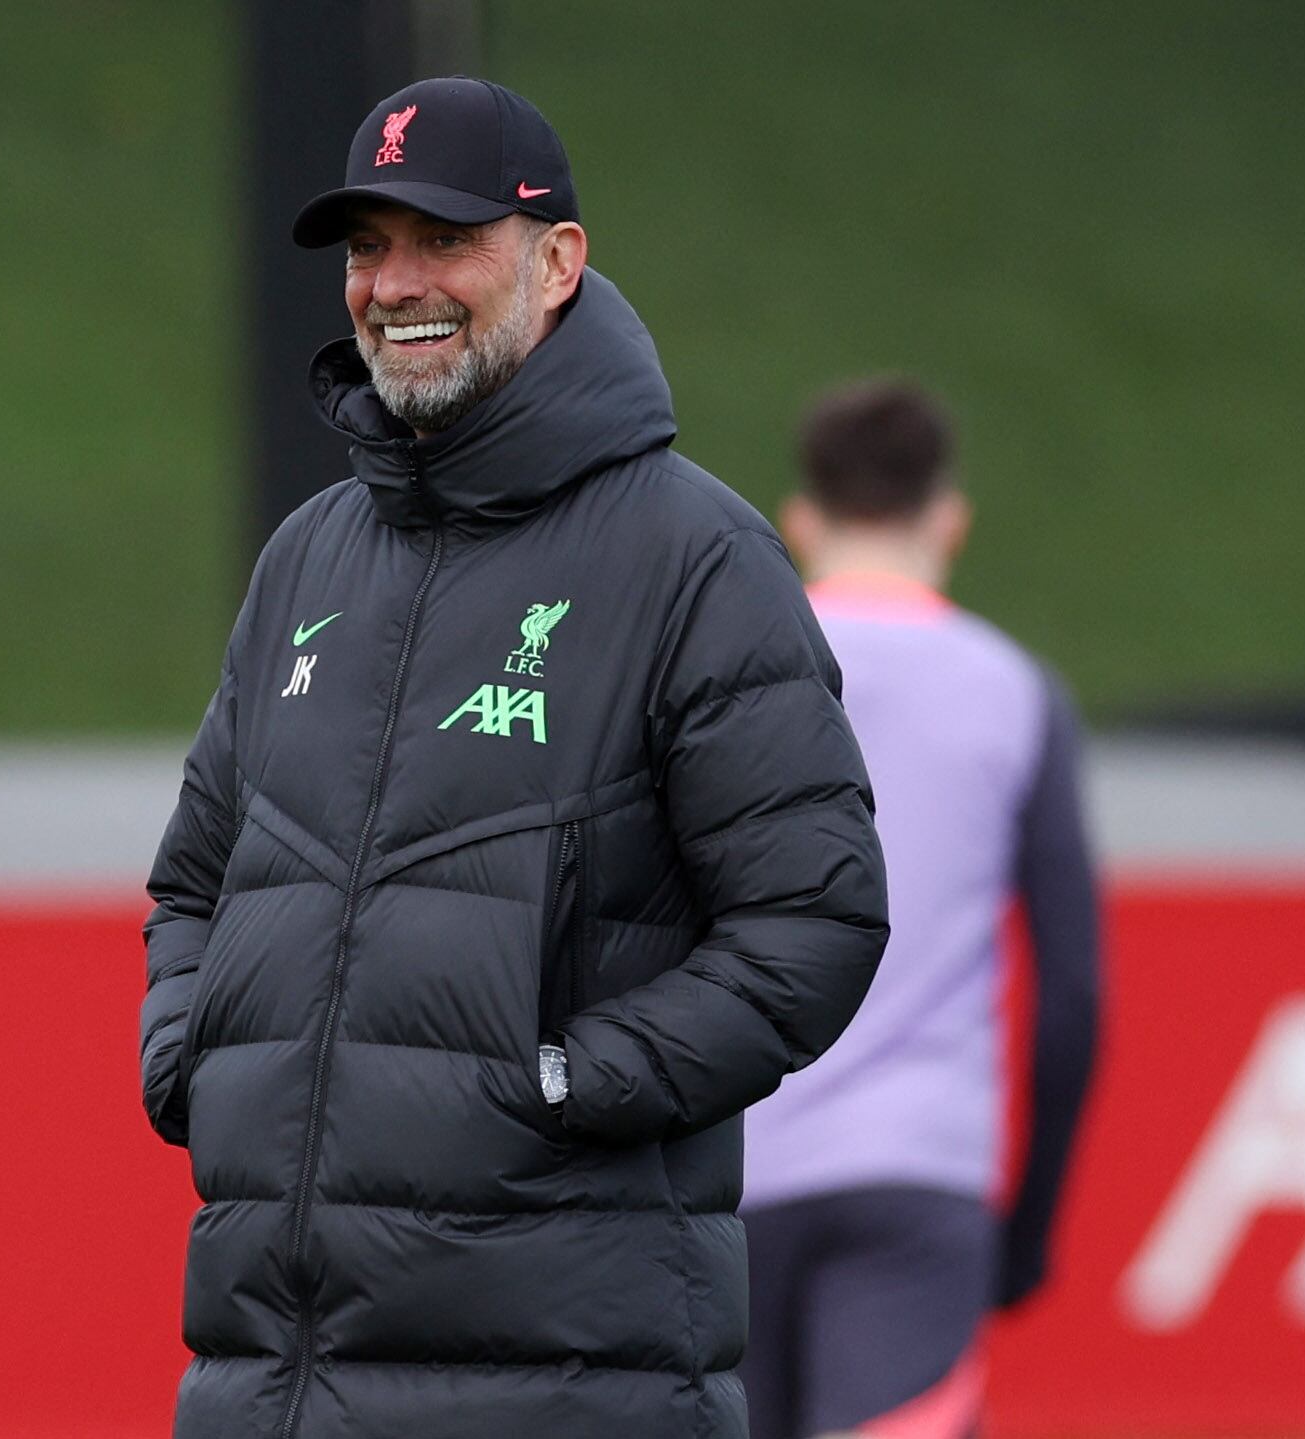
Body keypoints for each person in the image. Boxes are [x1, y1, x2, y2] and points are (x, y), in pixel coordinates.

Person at [138, 76, 888, 1439]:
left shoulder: (694, 556)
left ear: (557, 263)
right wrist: (200, 1061)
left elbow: (815, 917)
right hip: (268, 1380)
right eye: (369, 247)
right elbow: (195, 878)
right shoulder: (307, 556)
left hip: (569, 1380)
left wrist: (560, 1084)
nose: (394, 284)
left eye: (444, 239)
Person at [740, 380, 1103, 1439]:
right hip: (918, 1175)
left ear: (800, 520)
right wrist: (1027, 1226)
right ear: (949, 519)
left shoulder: (733, 674)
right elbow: (1074, 997)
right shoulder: (1017, 692)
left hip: (728, 1174)